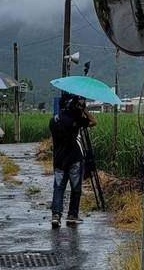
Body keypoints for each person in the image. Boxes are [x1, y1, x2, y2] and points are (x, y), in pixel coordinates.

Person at [49, 92, 96, 228]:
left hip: (58, 159)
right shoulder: (75, 118)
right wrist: (83, 110)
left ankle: (56, 216)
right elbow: (94, 122)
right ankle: (72, 215)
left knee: (58, 188)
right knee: (75, 189)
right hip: (74, 158)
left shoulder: (54, 120)